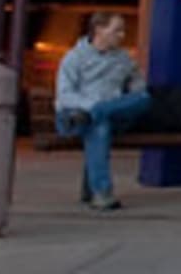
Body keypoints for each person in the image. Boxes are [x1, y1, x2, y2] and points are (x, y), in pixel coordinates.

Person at [54, 11, 148, 211]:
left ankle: (95, 114)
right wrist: (91, 105)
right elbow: (64, 95)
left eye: (123, 31)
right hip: (73, 116)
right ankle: (102, 193)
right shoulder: (74, 58)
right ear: (99, 30)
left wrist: (130, 89)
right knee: (99, 127)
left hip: (103, 113)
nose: (122, 35)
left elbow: (138, 86)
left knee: (143, 99)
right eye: (117, 30)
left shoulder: (123, 58)